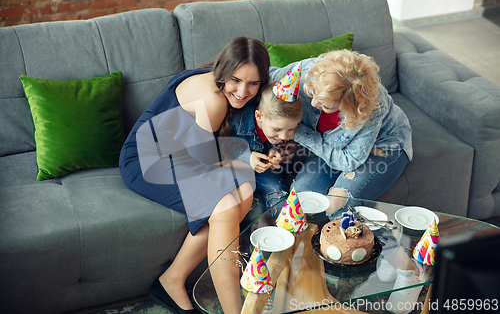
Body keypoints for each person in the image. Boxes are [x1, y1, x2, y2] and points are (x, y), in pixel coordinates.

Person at [119, 36, 270, 314]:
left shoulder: (219, 84)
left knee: (245, 187)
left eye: (253, 83)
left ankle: (172, 279)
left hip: (180, 153)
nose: (242, 91)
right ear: (225, 71)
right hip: (145, 161)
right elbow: (204, 159)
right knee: (226, 202)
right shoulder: (214, 100)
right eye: (236, 80)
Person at [270, 49, 412, 219]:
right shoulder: (309, 71)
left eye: (327, 106)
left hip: (382, 145)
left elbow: (348, 160)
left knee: (337, 205)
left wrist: (298, 131)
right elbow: (267, 78)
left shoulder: (370, 106)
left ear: (351, 105)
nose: (313, 103)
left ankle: (348, 243)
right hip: (329, 145)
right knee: (299, 205)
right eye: (312, 93)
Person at [229, 63, 303, 218]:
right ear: (259, 117)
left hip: (266, 170)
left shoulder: (277, 131)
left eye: (291, 129)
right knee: (254, 210)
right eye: (277, 130)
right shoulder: (237, 120)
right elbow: (220, 147)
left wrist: (274, 152)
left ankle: (288, 236)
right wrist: (247, 158)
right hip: (236, 171)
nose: (283, 137)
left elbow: (275, 144)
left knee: (280, 200)